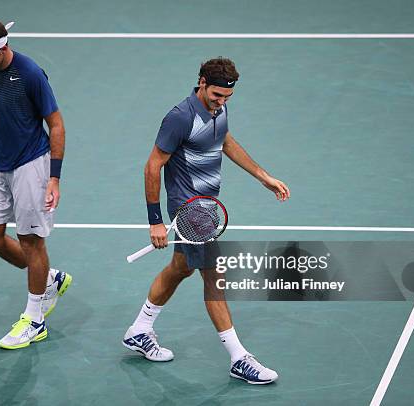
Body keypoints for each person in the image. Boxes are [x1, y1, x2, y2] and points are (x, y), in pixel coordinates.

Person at [122, 57, 290, 384]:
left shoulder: (218, 109)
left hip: (208, 204)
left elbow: (224, 140)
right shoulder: (180, 118)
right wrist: (155, 220)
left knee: (181, 267)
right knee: (215, 277)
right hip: (190, 210)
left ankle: (139, 330)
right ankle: (239, 357)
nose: (221, 102)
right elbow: (152, 166)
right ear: (201, 82)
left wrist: (262, 176)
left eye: (227, 97)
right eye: (216, 95)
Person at [0, 18, 72, 350]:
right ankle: (50, 278)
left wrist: (54, 177)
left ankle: (35, 320)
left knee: (31, 241)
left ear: (2, 49)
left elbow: (56, 125)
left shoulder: (30, 74)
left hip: (32, 164)